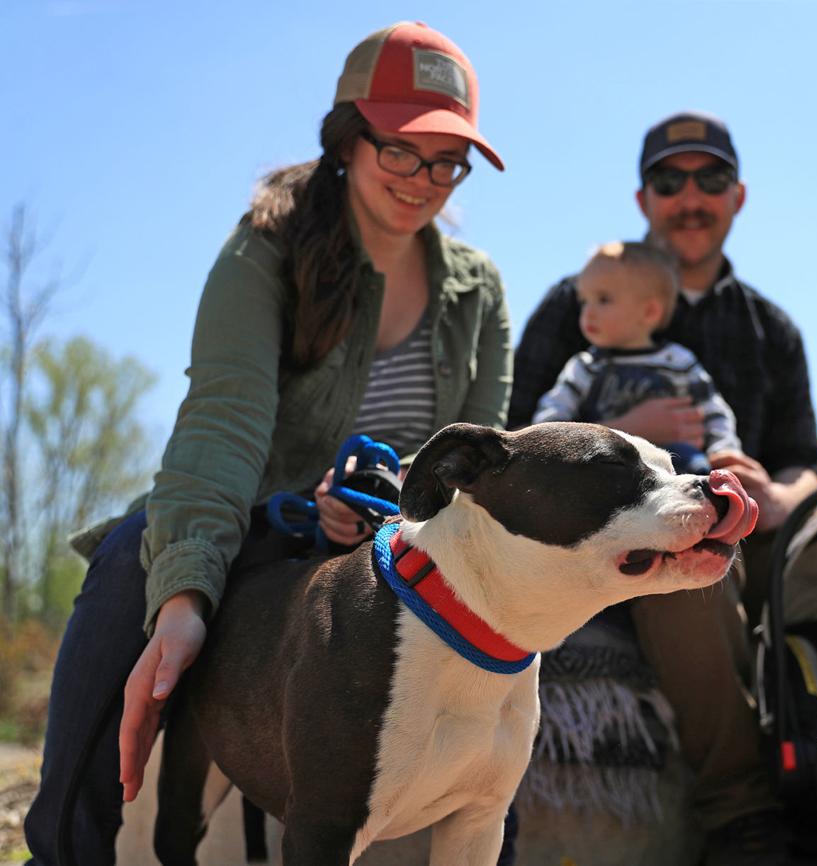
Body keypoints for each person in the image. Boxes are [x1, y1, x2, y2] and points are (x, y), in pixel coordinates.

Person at [25, 22, 512, 864]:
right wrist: (181, 602)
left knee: (511, 678)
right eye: (401, 151)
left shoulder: (479, 293)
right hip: (255, 521)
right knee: (127, 566)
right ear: (348, 139)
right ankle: (62, 845)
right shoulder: (265, 250)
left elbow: (476, 475)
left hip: (403, 551)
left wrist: (388, 523)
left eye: (445, 161)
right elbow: (221, 428)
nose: (422, 180)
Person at [511, 112, 817, 866]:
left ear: (737, 197)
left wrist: (780, 497)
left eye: (709, 179)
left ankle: (787, 807)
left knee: (728, 562)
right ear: (643, 198)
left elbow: (803, 457)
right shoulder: (575, 303)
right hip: (595, 525)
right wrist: (623, 426)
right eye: (669, 180)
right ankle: (742, 815)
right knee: (677, 553)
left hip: (733, 525)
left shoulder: (768, 328)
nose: (690, 195)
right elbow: (519, 435)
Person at [532, 240, 740, 473]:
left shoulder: (679, 362)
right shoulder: (586, 366)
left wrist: (724, 451)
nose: (587, 312)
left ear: (649, 312)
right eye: (584, 301)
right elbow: (550, 421)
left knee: (701, 471)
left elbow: (713, 410)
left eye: (603, 300)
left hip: (676, 460)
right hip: (610, 463)